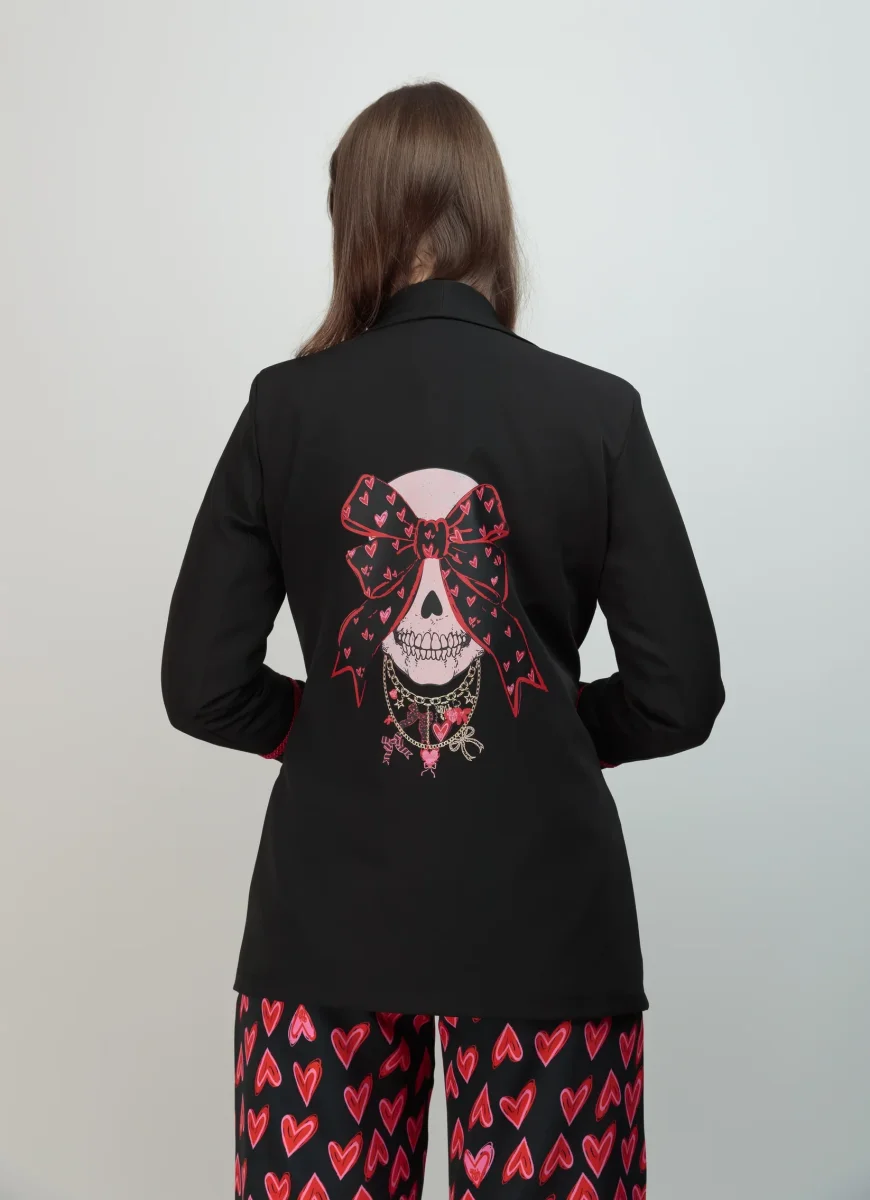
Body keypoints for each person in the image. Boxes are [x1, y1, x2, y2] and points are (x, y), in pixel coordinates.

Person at [161, 80, 724, 1200]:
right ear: (490, 217)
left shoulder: (284, 409)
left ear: (358, 223)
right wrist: (556, 725)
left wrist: (321, 723)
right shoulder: (596, 412)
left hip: (323, 938)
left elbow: (201, 684)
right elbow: (680, 694)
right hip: (548, 936)